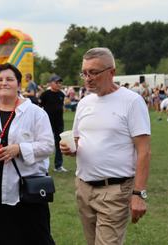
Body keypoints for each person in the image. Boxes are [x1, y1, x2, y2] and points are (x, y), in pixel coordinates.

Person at [60, 47, 151, 245]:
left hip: (115, 190)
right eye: (84, 73)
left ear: (112, 72)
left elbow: (144, 150)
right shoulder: (84, 103)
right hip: (84, 188)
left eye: (93, 72)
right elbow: (78, 140)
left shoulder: (132, 101)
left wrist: (139, 194)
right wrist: (70, 148)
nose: (88, 78)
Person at [0, 63, 55, 245]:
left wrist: (20, 149)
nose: (4, 83)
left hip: (24, 191)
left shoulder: (36, 113)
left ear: (19, 84)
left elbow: (48, 146)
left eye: (9, 79)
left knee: (32, 238)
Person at [40, 74, 67, 172]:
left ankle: (58, 166)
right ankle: (43, 167)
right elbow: (40, 108)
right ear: (51, 83)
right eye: (57, 82)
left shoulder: (61, 94)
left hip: (59, 123)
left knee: (59, 144)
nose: (59, 84)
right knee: (45, 144)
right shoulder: (45, 95)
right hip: (47, 123)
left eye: (60, 82)